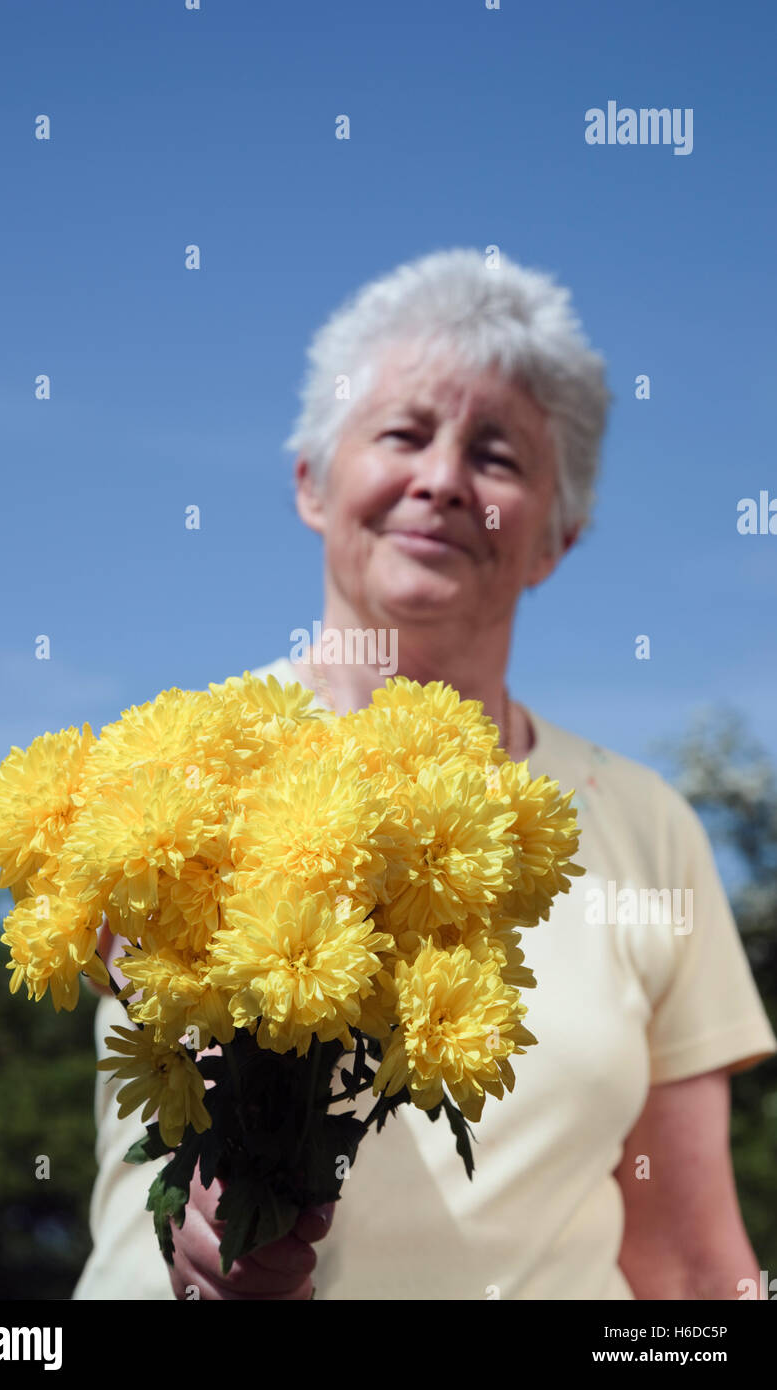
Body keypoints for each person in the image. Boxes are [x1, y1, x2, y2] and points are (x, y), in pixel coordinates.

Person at [73, 248, 776, 1301]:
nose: (441, 478)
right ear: (311, 482)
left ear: (555, 538)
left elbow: (683, 1262)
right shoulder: (169, 768)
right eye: (400, 432)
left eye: (496, 456)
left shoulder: (643, 826)